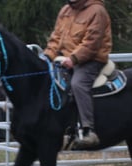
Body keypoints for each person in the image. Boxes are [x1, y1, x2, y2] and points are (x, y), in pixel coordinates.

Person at [44, 0, 112, 148]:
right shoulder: (65, 10)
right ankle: (62, 129)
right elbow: (56, 38)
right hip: (67, 59)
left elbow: (92, 42)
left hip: (91, 59)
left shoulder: (97, 10)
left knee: (78, 84)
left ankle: (88, 131)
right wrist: (47, 57)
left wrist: (74, 59)